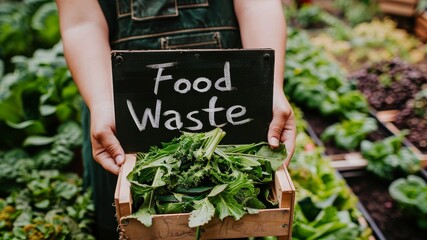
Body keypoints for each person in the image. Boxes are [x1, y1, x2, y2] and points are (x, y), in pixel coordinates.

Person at [55, 0, 296, 239]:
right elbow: (82, 22)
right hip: (119, 107)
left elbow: (257, 5)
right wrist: (102, 103)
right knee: (130, 219)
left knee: (229, 220)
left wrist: (267, 87)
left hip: (229, 96)